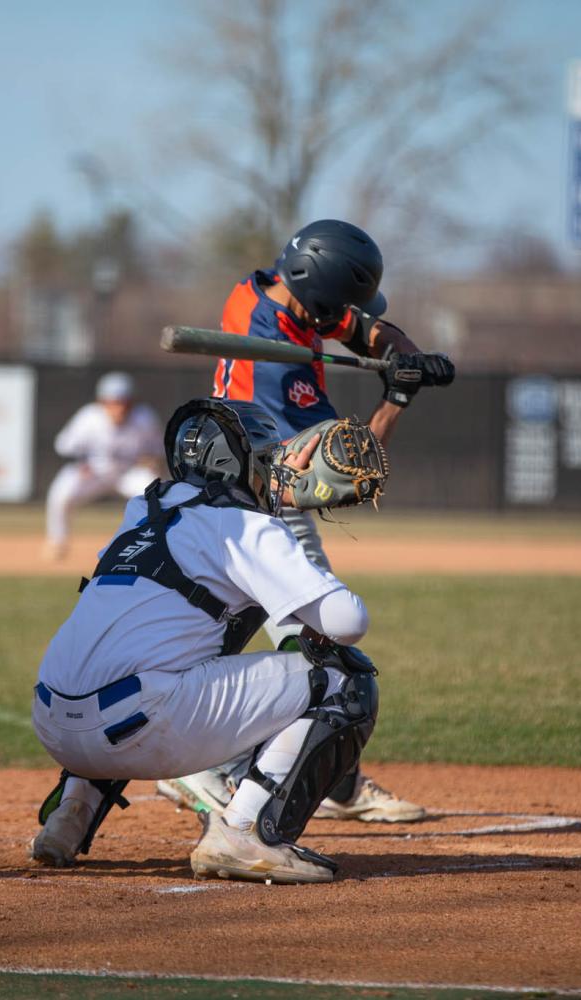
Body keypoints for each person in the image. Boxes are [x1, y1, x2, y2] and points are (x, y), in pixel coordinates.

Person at [160, 219, 454, 825]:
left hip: (226, 501)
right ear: (317, 292)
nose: (346, 314)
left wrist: (402, 355)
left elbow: (368, 329)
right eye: (341, 302)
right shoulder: (273, 364)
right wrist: (396, 400)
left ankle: (320, 780)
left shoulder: (267, 289)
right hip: (266, 505)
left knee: (223, 637)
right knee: (327, 647)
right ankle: (219, 769)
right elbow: (338, 470)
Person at [28, 398, 384, 884]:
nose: (275, 468)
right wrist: (283, 516)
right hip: (133, 725)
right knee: (345, 679)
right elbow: (347, 620)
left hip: (54, 725)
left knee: (151, 651)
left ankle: (70, 815)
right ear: (242, 463)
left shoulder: (144, 508)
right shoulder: (247, 525)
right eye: (265, 458)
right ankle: (244, 831)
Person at [43, 372, 165, 561]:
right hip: (95, 472)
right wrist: (80, 462)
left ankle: (155, 543)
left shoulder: (144, 417)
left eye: (123, 402)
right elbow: (63, 445)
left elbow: (157, 450)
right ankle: (58, 541)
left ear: (132, 402)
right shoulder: (89, 417)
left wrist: (151, 461)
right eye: (113, 402)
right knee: (62, 493)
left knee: (156, 494)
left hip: (128, 473)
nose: (118, 408)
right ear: (102, 402)